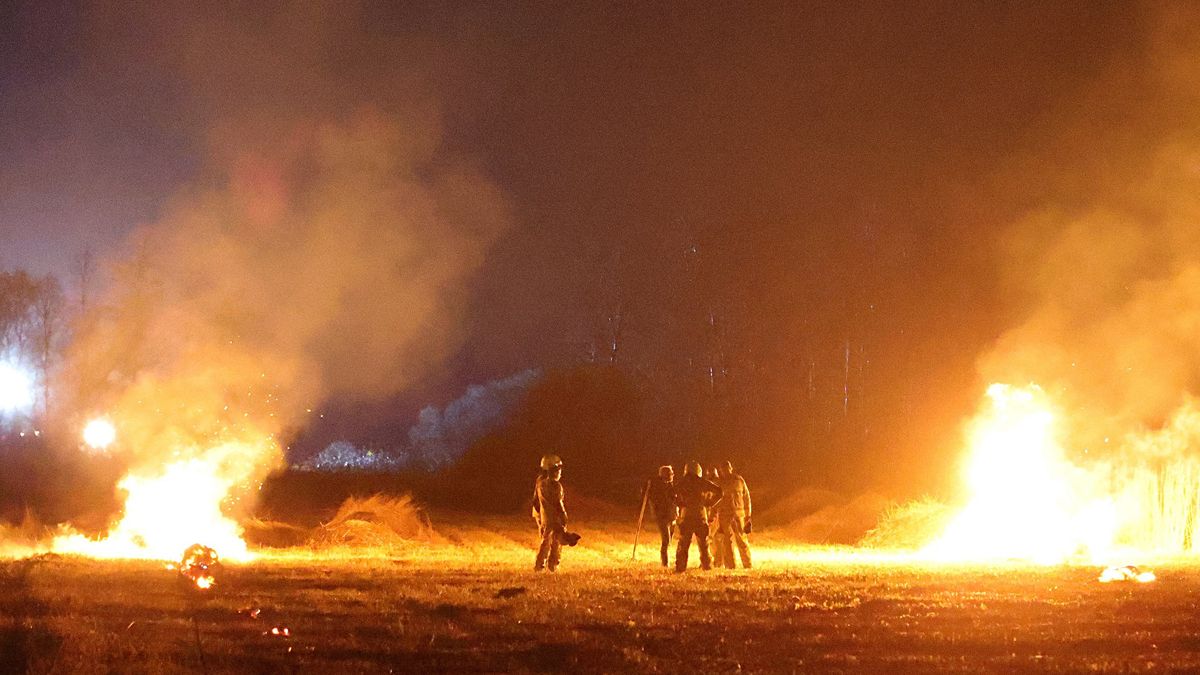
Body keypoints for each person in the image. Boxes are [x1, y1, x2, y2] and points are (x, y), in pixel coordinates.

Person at [673, 461, 722, 572]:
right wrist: (709, 503)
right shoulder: (703, 482)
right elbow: (719, 492)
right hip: (701, 516)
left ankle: (680, 568)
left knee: (683, 544)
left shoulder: (683, 482)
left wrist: (679, 503)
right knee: (704, 545)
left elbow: (670, 493)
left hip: (686, 516)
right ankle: (707, 567)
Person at [532, 454, 568, 572]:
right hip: (549, 515)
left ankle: (541, 564)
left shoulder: (540, 481)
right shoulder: (554, 485)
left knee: (545, 539)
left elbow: (535, 501)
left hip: (542, 514)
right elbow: (557, 502)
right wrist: (562, 516)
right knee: (554, 540)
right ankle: (551, 564)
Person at [714, 460, 753, 568]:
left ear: (730, 468)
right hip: (725, 516)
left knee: (742, 540)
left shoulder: (739, 480)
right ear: (721, 471)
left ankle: (747, 565)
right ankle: (730, 566)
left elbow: (746, 497)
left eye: (727, 468)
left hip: (738, 516)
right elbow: (714, 500)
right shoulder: (719, 483)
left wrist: (748, 515)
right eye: (723, 469)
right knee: (727, 542)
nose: (725, 471)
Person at [645, 465, 678, 567]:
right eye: (670, 474)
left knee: (669, 540)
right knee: (666, 540)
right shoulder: (657, 487)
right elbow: (653, 498)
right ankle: (665, 563)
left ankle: (665, 559)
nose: (672, 475)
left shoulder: (671, 485)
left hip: (672, 516)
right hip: (662, 516)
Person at [706, 465, 726, 569]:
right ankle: (716, 561)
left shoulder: (715, 484)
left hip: (715, 515)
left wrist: (711, 516)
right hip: (715, 514)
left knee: (714, 539)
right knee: (715, 540)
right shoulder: (714, 483)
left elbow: (714, 503)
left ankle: (717, 561)